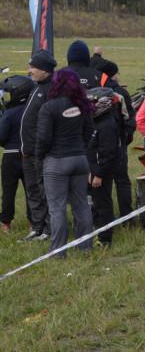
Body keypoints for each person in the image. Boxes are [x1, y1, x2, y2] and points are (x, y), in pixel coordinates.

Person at [35, 69, 95, 257]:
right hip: (79, 160)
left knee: (57, 207)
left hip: (57, 161)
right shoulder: (83, 106)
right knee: (81, 204)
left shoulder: (49, 107)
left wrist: (39, 156)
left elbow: (43, 138)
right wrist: (80, 148)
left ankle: (58, 251)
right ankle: (85, 247)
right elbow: (89, 130)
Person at [18, 50, 57, 242]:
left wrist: (42, 149)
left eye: (33, 66)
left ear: (44, 70)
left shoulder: (51, 90)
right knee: (32, 191)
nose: (29, 70)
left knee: (45, 191)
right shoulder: (36, 87)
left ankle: (49, 229)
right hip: (27, 151)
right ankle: (37, 227)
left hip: (41, 153)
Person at [97, 60, 136, 219]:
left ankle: (104, 217)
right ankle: (126, 216)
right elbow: (130, 119)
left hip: (98, 144)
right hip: (118, 143)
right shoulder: (120, 92)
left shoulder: (94, 90)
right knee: (122, 181)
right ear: (112, 74)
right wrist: (125, 139)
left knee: (103, 183)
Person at [85, 87, 122, 247]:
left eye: (93, 102)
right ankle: (97, 232)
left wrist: (98, 173)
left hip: (103, 172)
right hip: (95, 169)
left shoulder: (107, 124)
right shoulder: (98, 121)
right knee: (96, 203)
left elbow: (107, 153)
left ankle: (105, 238)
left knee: (103, 204)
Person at [0, 75, 36, 232]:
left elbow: (1, 137)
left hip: (10, 154)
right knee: (31, 190)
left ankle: (6, 223)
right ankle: (33, 222)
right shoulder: (33, 110)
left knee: (8, 190)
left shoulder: (9, 113)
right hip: (28, 155)